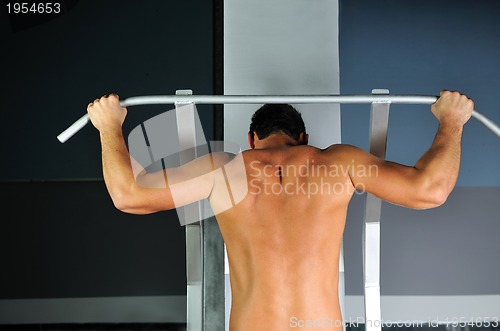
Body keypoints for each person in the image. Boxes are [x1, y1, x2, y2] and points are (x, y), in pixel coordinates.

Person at [87, 90, 473, 331]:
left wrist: (109, 126)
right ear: (304, 137)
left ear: (252, 140)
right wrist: (452, 121)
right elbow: (431, 189)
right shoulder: (339, 163)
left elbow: (129, 195)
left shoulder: (225, 169)